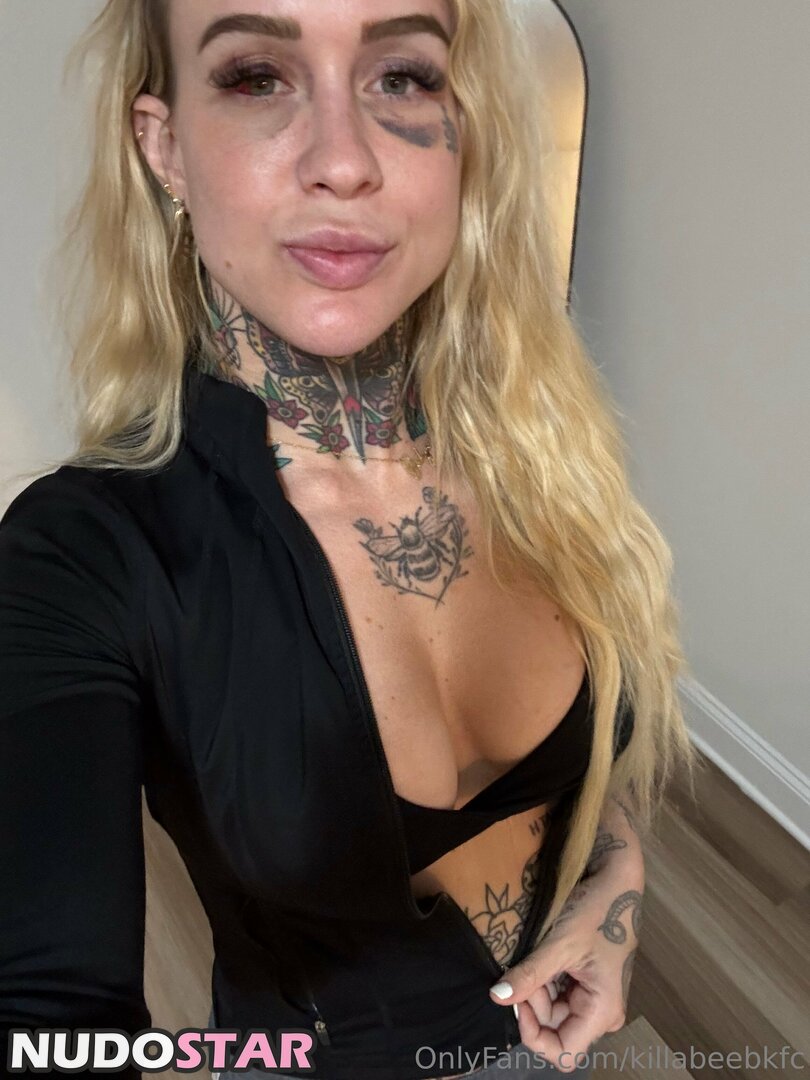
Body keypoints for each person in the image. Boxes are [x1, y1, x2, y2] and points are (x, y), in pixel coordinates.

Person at [0, 1, 701, 1078]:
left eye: (402, 78)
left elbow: (577, 777)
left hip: (556, 1043)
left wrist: (613, 887)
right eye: (256, 77)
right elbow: (44, 1024)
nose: (344, 160)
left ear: (463, 134)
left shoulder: (543, 445)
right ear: (164, 145)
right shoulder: (84, 556)